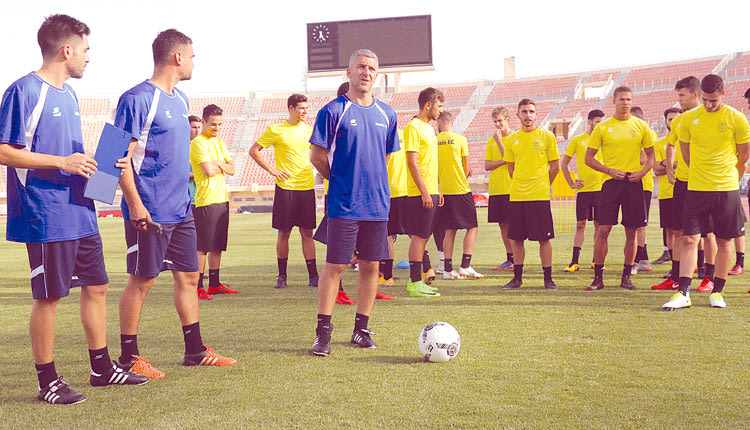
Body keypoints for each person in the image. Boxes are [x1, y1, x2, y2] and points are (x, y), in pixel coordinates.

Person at [0, 14, 148, 405]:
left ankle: (102, 368)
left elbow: (70, 156)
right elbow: (4, 151)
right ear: (67, 50)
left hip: (80, 208)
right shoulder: (24, 91)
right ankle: (46, 381)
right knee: (48, 297)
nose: (88, 57)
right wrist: (62, 163)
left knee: (97, 286)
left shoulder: (69, 95)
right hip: (45, 213)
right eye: (85, 49)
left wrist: (99, 164)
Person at [115, 29, 236, 379]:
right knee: (142, 280)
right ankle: (128, 357)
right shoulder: (135, 98)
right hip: (149, 211)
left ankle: (195, 351)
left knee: (188, 276)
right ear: (178, 57)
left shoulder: (181, 100)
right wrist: (134, 205)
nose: (195, 61)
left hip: (182, 209)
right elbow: (114, 155)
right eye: (193, 56)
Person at [309, 49, 399, 356]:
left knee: (371, 266)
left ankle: (361, 328)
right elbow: (317, 155)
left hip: (377, 205)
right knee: (335, 266)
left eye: (372, 68)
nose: (367, 72)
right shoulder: (333, 111)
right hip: (344, 204)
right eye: (361, 66)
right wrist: (340, 180)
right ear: (349, 72)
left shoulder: (387, 114)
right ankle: (323, 332)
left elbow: (386, 156)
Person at [663, 74, 750, 309]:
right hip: (697, 188)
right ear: (700, 95)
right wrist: (702, 172)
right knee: (689, 238)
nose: (709, 105)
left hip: (727, 188)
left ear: (723, 94)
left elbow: (743, 155)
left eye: (713, 100)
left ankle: (718, 292)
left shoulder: (737, 118)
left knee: (724, 240)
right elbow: (686, 154)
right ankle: (683, 292)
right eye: (705, 100)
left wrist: (728, 176)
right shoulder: (689, 119)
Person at [585, 86, 655, 291]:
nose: (626, 102)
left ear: (632, 102)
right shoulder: (603, 128)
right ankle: (598, 277)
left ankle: (626, 277)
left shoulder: (641, 126)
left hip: (634, 183)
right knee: (603, 230)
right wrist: (608, 170)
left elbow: (651, 157)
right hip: (611, 183)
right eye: (622, 99)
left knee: (632, 232)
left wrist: (642, 173)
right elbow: (589, 158)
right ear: (613, 101)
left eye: (629, 99)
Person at [250, 94, 319, 289]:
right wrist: (272, 170)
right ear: (291, 108)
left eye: (307, 108)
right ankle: (282, 276)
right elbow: (254, 150)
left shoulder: (310, 131)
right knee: (284, 233)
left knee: (307, 232)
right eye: (301, 108)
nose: (305, 111)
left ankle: (313, 276)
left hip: (306, 187)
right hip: (286, 188)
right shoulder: (276, 129)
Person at [659, 76, 717, 293]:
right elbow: (670, 144)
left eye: (682, 95)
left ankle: (708, 277)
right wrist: (671, 168)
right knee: (678, 231)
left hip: (705, 183)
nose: (679, 100)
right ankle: (675, 277)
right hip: (683, 183)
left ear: (695, 94)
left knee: (708, 233)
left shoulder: (710, 117)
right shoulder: (681, 120)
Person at [501, 99, 560, 290]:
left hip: (539, 197)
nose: (528, 115)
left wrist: (543, 184)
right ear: (518, 114)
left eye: (531, 112)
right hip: (517, 196)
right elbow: (511, 169)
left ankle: (548, 279)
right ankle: (517, 278)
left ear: (536, 114)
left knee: (544, 239)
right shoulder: (511, 139)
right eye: (524, 112)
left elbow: (555, 167)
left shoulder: (547, 136)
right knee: (517, 239)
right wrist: (522, 183)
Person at [190, 104, 237, 298]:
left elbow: (233, 169)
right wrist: (221, 164)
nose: (216, 128)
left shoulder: (220, 144)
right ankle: (198, 287)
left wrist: (218, 164)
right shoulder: (198, 143)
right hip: (205, 201)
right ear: (203, 122)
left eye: (219, 124)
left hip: (221, 199)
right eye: (213, 124)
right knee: (203, 247)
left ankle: (214, 284)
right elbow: (208, 171)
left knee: (217, 245)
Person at [404, 87, 445, 297]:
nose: (440, 110)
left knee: (423, 237)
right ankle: (414, 282)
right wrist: (424, 192)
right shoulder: (413, 127)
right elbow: (412, 163)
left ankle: (418, 281)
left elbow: (430, 163)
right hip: (420, 193)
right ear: (428, 105)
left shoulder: (430, 129)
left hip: (431, 190)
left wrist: (436, 189)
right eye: (439, 105)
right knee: (419, 238)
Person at [436, 111, 483, 280]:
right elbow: (466, 168)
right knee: (472, 227)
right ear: (452, 123)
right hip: (460, 189)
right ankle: (465, 266)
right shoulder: (461, 139)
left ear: (439, 124)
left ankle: (448, 269)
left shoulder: (434, 140)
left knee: (450, 231)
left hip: (443, 192)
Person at [560, 109, 605, 272]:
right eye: (598, 122)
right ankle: (574, 262)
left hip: (602, 189)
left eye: (602, 122)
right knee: (581, 224)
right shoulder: (578, 140)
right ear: (590, 122)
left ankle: (596, 260)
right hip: (584, 190)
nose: (600, 125)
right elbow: (563, 163)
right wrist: (571, 183)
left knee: (599, 226)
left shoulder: (605, 141)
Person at [649, 107, 682, 290]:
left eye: (676, 118)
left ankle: (697, 267)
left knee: (689, 233)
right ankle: (673, 268)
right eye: (670, 119)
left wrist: (668, 164)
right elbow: (656, 170)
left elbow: (689, 164)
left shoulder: (687, 140)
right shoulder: (660, 143)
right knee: (670, 232)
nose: (673, 122)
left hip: (686, 190)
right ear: (665, 121)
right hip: (666, 193)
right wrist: (669, 165)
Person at [485, 107, 515, 270]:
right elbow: (487, 165)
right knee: (502, 225)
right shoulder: (491, 141)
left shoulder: (514, 138)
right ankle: (509, 259)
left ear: (507, 119)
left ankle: (517, 259)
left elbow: (511, 160)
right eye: (495, 121)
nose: (498, 124)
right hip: (496, 189)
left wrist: (499, 142)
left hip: (511, 188)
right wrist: (503, 161)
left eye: (500, 121)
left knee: (513, 225)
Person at [628, 106, 657, 274]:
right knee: (638, 224)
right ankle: (643, 259)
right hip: (635, 183)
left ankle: (637, 261)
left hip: (643, 183)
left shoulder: (648, 134)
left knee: (638, 225)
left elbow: (642, 159)